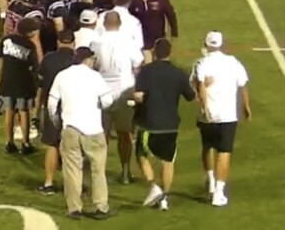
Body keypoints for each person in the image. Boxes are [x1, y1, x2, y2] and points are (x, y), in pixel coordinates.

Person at [48, 47, 114, 219]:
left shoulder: (62, 75)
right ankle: (101, 206)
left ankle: (74, 208)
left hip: (70, 128)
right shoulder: (95, 77)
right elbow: (107, 100)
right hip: (93, 129)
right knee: (98, 170)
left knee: (72, 170)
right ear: (88, 60)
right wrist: (98, 107)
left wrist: (58, 123)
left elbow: (51, 104)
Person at [133, 39, 196, 211]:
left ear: (154, 52)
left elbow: (138, 96)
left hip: (149, 123)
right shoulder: (179, 73)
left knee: (141, 155)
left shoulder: (146, 71)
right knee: (167, 161)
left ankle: (153, 187)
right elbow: (191, 96)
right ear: (170, 52)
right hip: (170, 125)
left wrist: (136, 99)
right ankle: (164, 199)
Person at [192, 31, 251, 207]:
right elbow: (243, 86)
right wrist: (246, 107)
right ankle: (218, 192)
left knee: (207, 147)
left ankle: (210, 181)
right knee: (224, 152)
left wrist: (204, 107)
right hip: (227, 114)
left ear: (206, 44)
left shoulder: (201, 63)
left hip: (207, 116)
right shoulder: (233, 62)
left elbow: (198, 86)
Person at [90, 11, 144, 183]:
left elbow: (92, 66)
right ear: (119, 24)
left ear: (104, 24)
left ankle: (100, 173)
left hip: (101, 91)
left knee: (101, 135)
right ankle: (126, 172)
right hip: (125, 90)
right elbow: (138, 62)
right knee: (125, 133)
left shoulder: (96, 43)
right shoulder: (128, 41)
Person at [36, 28, 75, 194]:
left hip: (52, 107)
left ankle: (49, 183)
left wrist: (37, 109)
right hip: (73, 108)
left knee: (52, 145)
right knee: (73, 149)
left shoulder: (48, 59)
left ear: (58, 42)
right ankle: (73, 185)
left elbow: (40, 85)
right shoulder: (78, 62)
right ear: (73, 43)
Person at [0, 17, 42, 156]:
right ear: (30, 33)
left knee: (9, 111)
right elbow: (37, 65)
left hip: (7, 80)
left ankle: (9, 143)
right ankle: (25, 144)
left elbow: (0, 60)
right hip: (23, 83)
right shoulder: (30, 46)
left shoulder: (7, 40)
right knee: (24, 112)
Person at [129, 0, 178, 64]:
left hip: (159, 38)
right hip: (143, 41)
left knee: (161, 65)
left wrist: (174, 32)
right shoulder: (132, 1)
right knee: (148, 65)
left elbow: (170, 14)